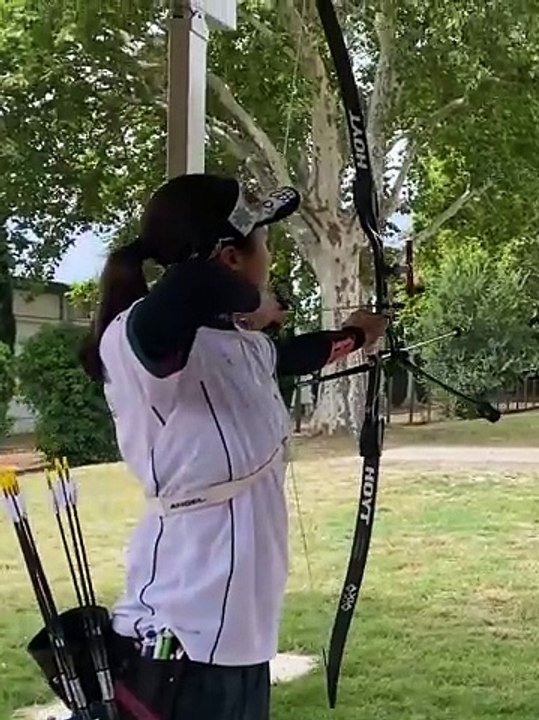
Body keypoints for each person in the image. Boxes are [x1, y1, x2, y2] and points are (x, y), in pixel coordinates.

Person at [78, 173, 388, 719]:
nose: (267, 253)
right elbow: (182, 302)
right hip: (182, 630)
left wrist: (358, 335)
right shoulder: (133, 339)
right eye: (260, 241)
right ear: (228, 257)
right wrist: (251, 300)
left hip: (241, 631)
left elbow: (291, 356)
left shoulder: (237, 345)